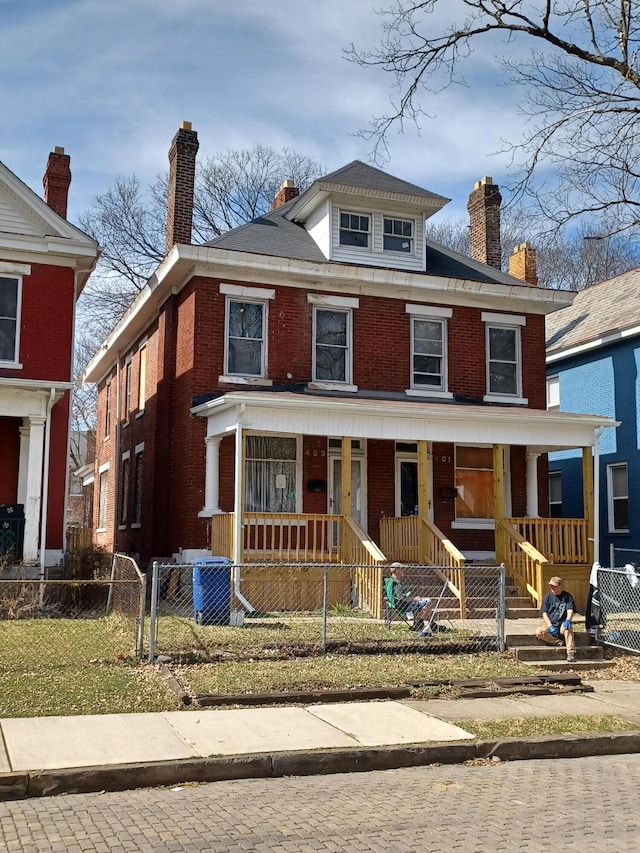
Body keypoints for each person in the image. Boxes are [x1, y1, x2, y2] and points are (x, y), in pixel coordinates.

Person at [385, 562, 434, 638]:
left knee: (425, 604)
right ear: (397, 571)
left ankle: (429, 624)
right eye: (401, 569)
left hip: (395, 604)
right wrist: (414, 599)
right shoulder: (396, 583)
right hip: (403, 606)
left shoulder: (389, 581)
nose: (403, 571)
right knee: (428, 601)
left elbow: (399, 596)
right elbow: (401, 598)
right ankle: (421, 622)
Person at [535, 576, 577, 662]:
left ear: (560, 586)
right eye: (551, 586)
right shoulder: (547, 597)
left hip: (562, 623)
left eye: (554, 586)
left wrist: (568, 620)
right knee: (539, 632)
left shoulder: (567, 597)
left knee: (567, 628)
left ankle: (570, 652)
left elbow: (570, 610)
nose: (552, 588)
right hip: (551, 623)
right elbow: (544, 613)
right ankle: (559, 642)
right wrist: (550, 625)